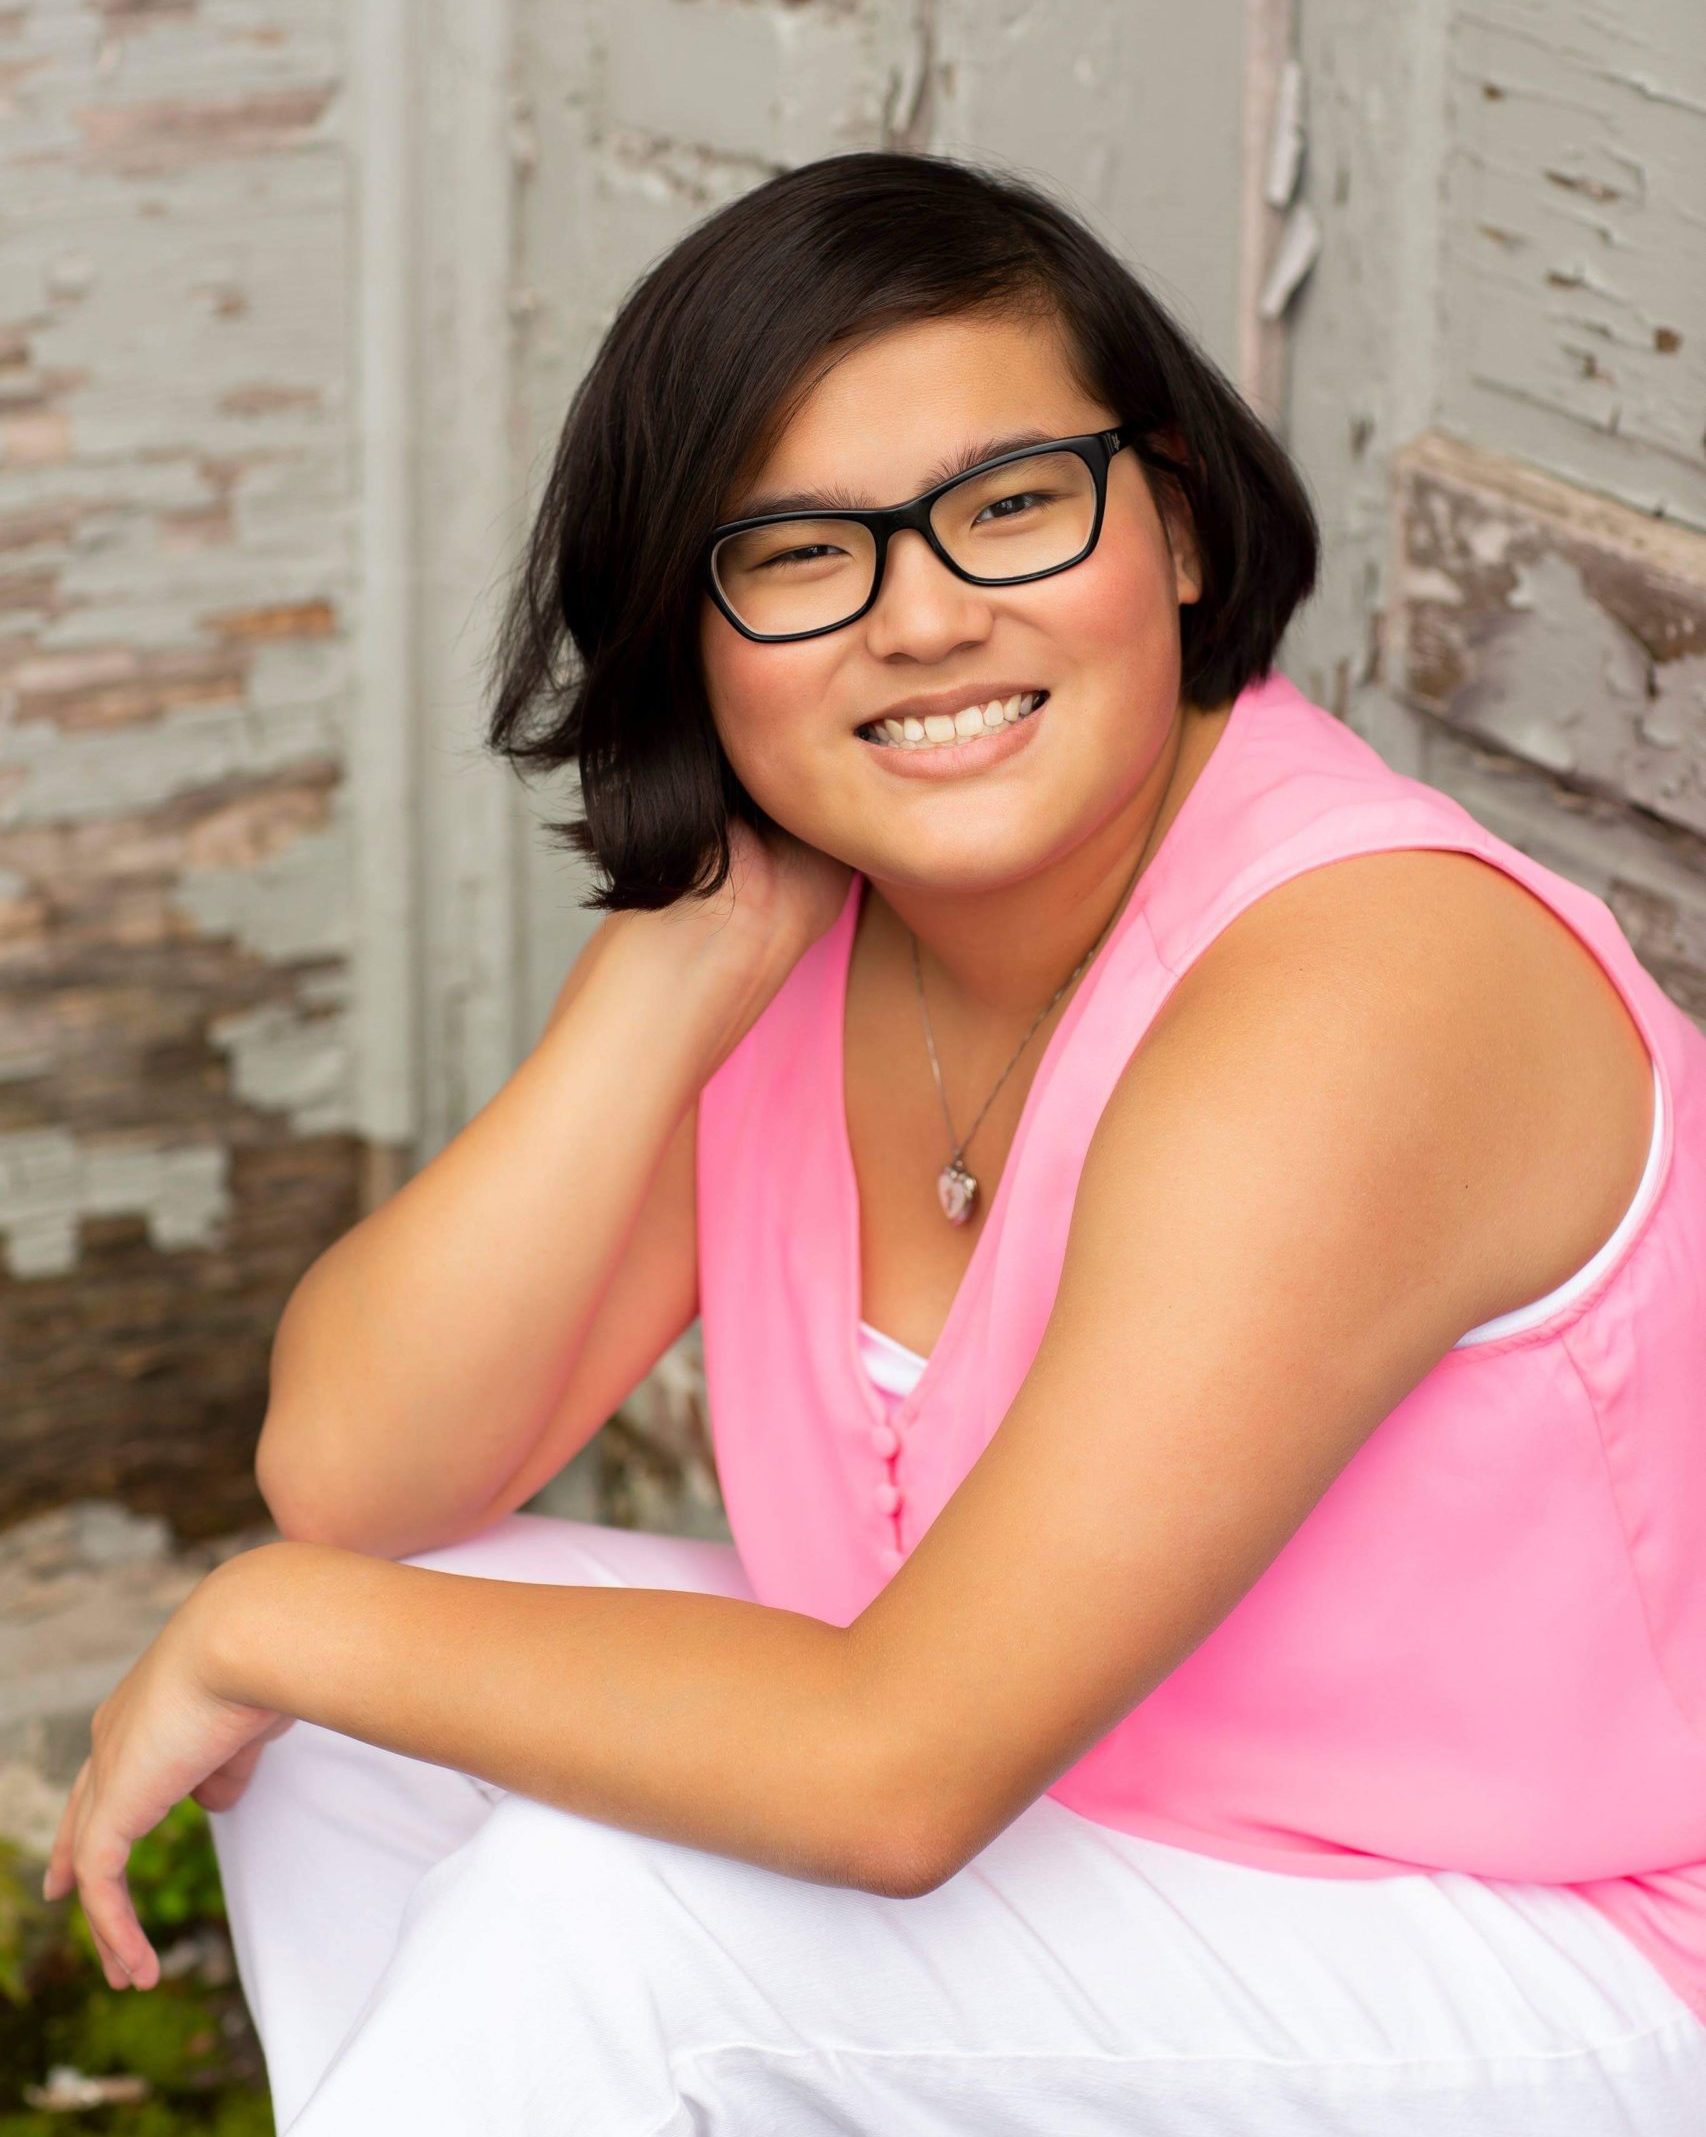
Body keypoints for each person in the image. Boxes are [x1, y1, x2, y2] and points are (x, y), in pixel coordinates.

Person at [57, 151, 1706, 2132]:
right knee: (353, 1712)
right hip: (1130, 1856)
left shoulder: (1359, 986)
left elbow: (894, 1774)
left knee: (609, 1918)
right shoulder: (830, 941)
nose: (919, 620)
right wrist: (671, 980)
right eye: (798, 553)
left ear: (1171, 523)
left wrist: (263, 1616)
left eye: (1007, 508)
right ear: (692, 628)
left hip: (1570, 1961)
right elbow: (357, 1474)